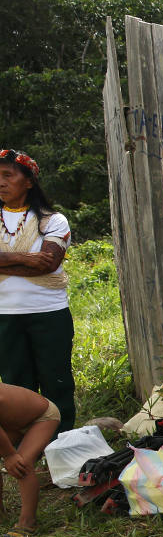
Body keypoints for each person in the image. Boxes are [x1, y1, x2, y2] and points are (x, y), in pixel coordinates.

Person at [0, 149, 75, 435]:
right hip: (5, 315)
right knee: (15, 382)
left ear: (29, 181)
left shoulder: (52, 221)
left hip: (49, 313)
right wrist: (25, 257)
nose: (1, 182)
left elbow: (48, 264)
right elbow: (37, 262)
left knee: (56, 380)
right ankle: (24, 444)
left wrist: (6, 263)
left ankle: (60, 441)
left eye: (8, 175)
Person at [0, 382, 61, 537]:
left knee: (22, 463)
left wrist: (9, 455)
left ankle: (27, 524)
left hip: (41, 418)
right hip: (13, 423)